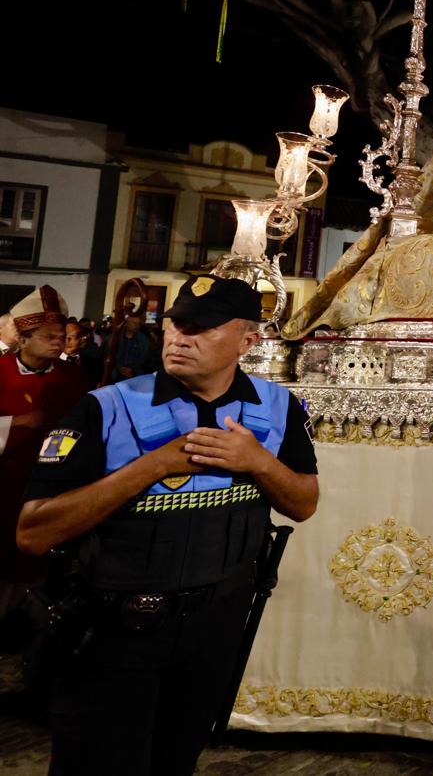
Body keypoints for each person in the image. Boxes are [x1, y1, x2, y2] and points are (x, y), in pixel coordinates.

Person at [17, 275, 319, 775]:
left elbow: (304, 504)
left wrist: (258, 461)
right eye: (177, 324)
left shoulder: (279, 407)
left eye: (202, 328)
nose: (181, 337)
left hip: (214, 632)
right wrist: (151, 467)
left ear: (248, 340)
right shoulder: (106, 406)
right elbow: (32, 533)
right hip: (115, 634)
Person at [0, 287, 93, 614]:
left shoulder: (75, 377)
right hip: (5, 479)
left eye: (60, 335)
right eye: (48, 335)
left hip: (51, 482)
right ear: (23, 339)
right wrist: (22, 422)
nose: (58, 341)